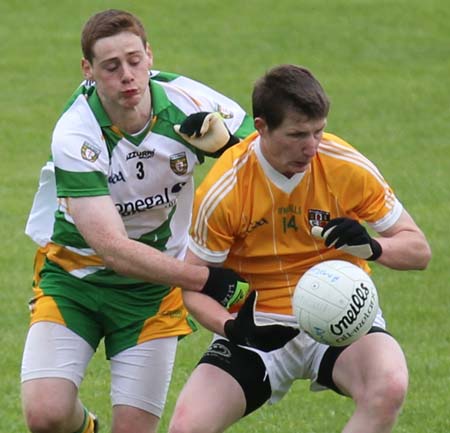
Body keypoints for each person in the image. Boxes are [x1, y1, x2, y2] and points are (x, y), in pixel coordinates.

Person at [21, 9, 254, 433]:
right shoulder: (76, 132)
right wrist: (204, 280)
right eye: (111, 67)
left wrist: (231, 149)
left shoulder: (190, 102)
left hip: (152, 295)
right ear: (88, 70)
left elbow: (265, 157)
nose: (127, 75)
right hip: (76, 279)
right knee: (46, 414)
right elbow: (112, 250)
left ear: (149, 54)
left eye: (134, 60)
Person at [168, 64, 432, 433]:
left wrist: (373, 247)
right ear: (261, 128)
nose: (311, 147)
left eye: (318, 131)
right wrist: (233, 329)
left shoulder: (344, 165)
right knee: (186, 426)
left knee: (388, 387)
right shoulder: (225, 189)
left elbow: (418, 250)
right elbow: (193, 286)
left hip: (344, 316)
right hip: (258, 328)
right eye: (297, 135)